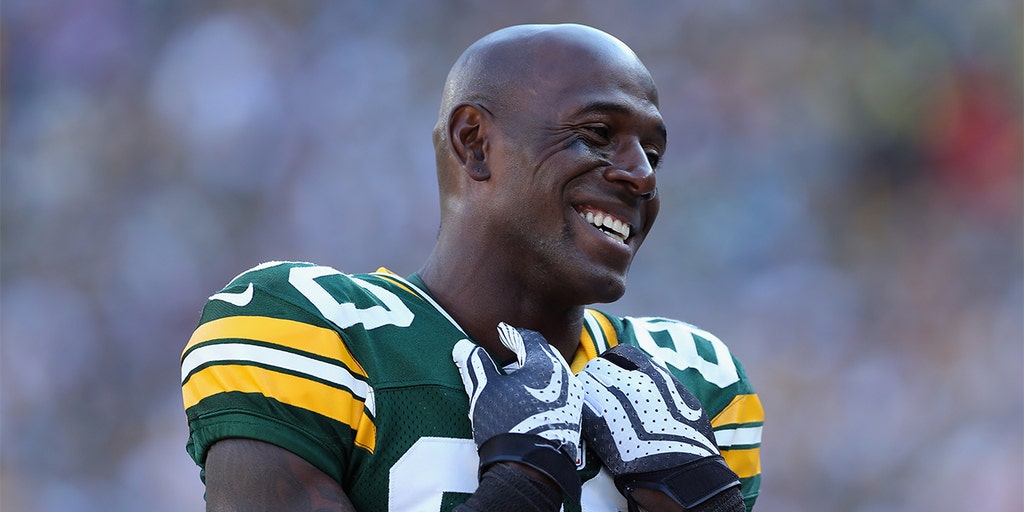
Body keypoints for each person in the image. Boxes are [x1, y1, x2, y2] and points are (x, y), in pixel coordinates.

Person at [181, 23, 764, 512]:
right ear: (475, 142)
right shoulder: (310, 330)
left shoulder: (694, 384)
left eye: (654, 154)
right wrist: (518, 490)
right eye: (598, 135)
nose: (643, 177)